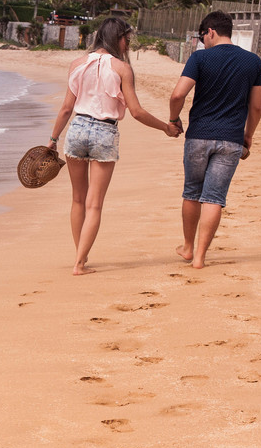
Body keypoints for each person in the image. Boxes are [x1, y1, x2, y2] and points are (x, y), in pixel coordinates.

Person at [48, 17, 181, 276]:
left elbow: (66, 108)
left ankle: (81, 258)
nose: (127, 44)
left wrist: (53, 140)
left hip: (76, 129)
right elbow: (137, 112)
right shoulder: (122, 69)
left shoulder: (77, 64)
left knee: (77, 199)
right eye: (127, 40)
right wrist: (166, 127)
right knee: (94, 204)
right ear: (118, 38)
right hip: (104, 132)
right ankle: (78, 263)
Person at [169, 10, 261, 269]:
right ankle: (200, 258)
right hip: (231, 139)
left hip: (199, 135)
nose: (203, 42)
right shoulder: (253, 61)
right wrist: (248, 135)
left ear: (210, 31)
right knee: (214, 198)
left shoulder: (200, 58)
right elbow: (256, 108)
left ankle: (188, 248)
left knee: (192, 193)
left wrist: (173, 119)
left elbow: (178, 95)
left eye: (203, 37)